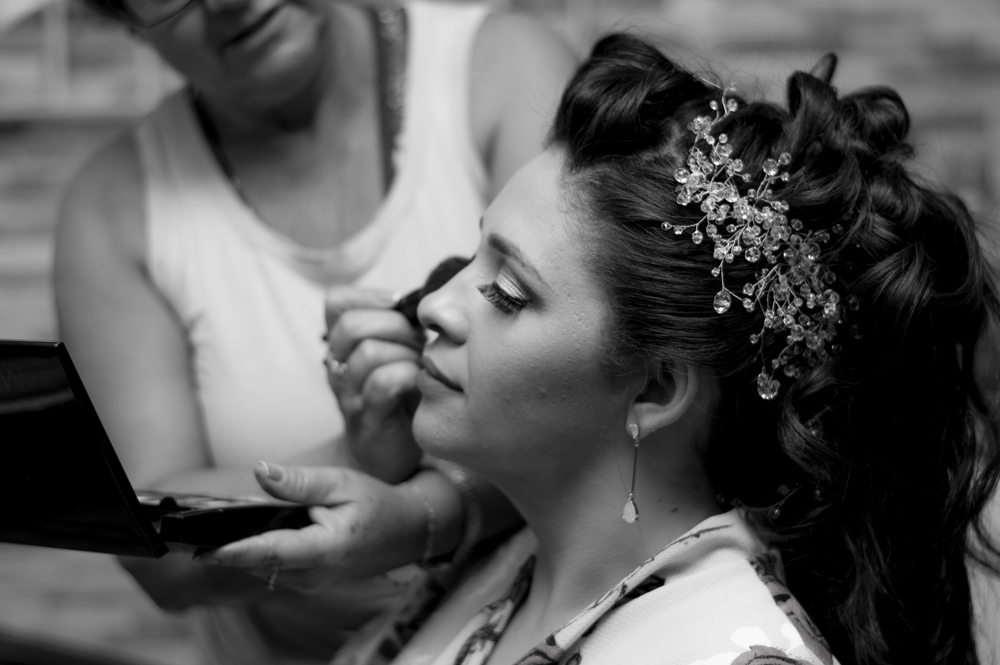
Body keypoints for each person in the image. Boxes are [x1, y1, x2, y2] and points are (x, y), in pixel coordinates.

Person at [211, 33, 1000, 664]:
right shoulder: (503, 561)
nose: (433, 306)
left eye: (507, 292)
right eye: (472, 254)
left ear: (655, 389)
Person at [53, 0, 575, 663]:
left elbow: (587, 403)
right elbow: (161, 556)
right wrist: (359, 457)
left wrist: (414, 519)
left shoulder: (504, 67)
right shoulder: (113, 210)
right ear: (118, 15)